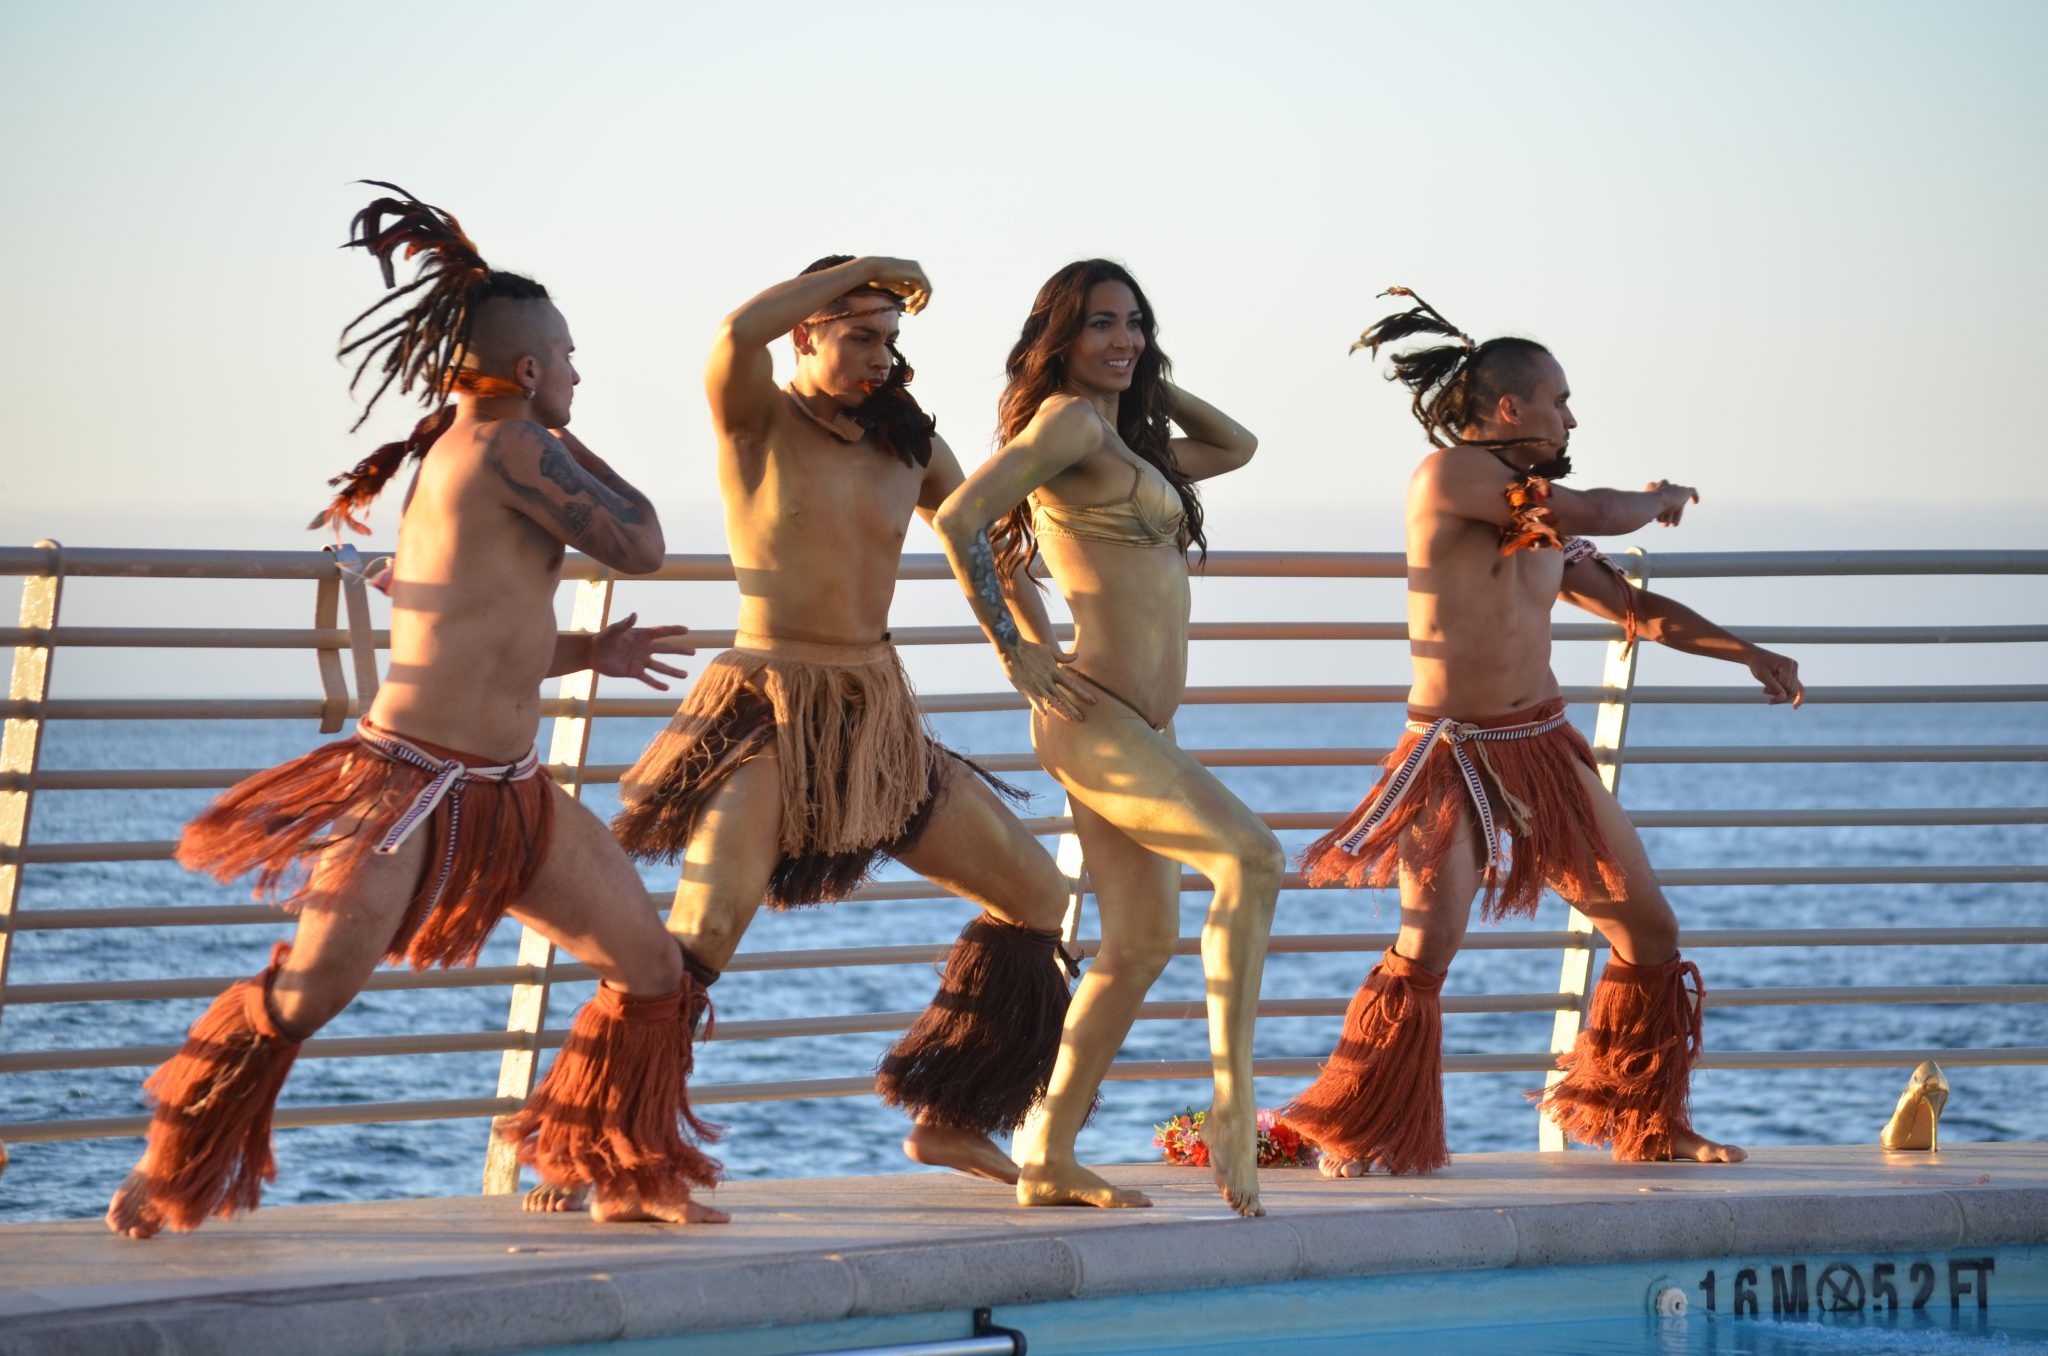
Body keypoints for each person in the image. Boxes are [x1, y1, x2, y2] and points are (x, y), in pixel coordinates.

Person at [105, 184, 723, 1237]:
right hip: (410, 791)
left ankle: (616, 1170)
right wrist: (569, 432)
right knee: (307, 993)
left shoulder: (479, 451)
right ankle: (166, 1165)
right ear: (529, 372)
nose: (577, 373)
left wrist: (591, 650)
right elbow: (645, 542)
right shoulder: (512, 448)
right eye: (565, 358)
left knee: (652, 969)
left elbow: (482, 638)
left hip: (509, 793)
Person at [1285, 288, 1803, 1178]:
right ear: (1510, 407)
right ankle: (1359, 1126)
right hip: (1452, 756)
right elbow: (1598, 510)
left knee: (1649, 931)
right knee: (1426, 949)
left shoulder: (1536, 518)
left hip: (1543, 752)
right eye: (1559, 399)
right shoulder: (1450, 478)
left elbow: (1634, 610)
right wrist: (1661, 498)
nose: (1572, 415)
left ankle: (1647, 1121)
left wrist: (1749, 653)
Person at [599, 256, 1076, 1208]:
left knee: (1038, 895)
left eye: (891, 340)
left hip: (878, 719)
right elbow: (733, 333)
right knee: (704, 931)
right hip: (771, 710)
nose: (879, 356)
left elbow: (975, 534)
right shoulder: (755, 418)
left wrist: (1033, 648)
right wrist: (862, 266)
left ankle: (952, 1117)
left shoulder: (906, 441)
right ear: (805, 334)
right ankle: (612, 1154)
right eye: (860, 334)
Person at [932, 259, 1279, 1217]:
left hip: (1139, 725)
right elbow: (959, 518)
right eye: (1099, 326)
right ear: (1061, 339)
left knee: (1140, 942)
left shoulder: (1127, 439)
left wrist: (1145, 372)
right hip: (1094, 716)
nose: (1121, 340)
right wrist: (1018, 651)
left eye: (1134, 323)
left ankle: (1046, 1150)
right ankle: (1232, 1103)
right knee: (1252, 857)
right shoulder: (1070, 425)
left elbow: (1238, 443)